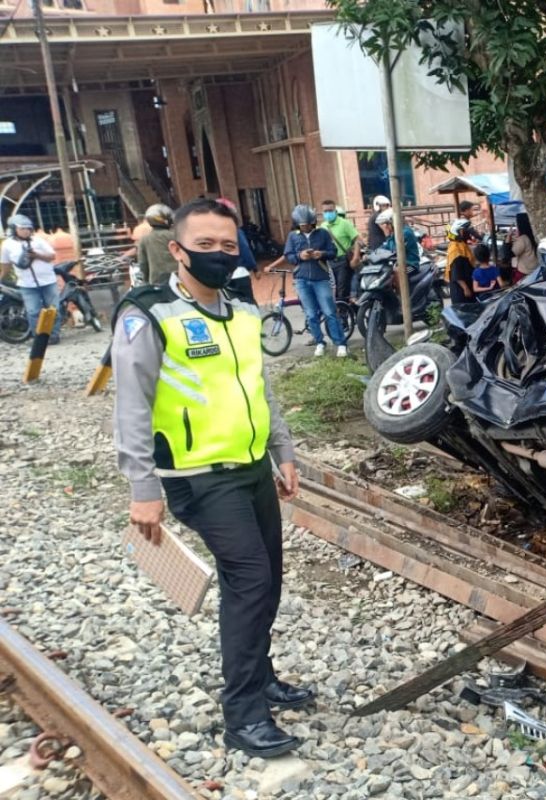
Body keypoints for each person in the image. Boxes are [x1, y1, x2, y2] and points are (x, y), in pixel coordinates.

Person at [111, 198, 310, 760]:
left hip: (248, 468)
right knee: (248, 581)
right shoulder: (147, 314)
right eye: (205, 246)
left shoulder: (242, 313)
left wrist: (282, 450)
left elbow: (259, 387)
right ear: (176, 250)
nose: (219, 256)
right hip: (197, 477)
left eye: (228, 246)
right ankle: (243, 715)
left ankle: (261, 675)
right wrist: (143, 489)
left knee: (266, 578)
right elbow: (132, 404)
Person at [283, 204, 348, 358]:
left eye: (308, 225)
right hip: (302, 279)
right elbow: (288, 255)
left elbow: (333, 252)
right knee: (311, 314)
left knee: (330, 312)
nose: (305, 228)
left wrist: (322, 254)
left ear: (313, 222)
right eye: (302, 225)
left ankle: (341, 344)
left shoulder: (323, 234)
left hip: (321, 278)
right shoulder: (293, 236)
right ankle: (319, 342)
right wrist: (300, 256)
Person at [1, 214, 64, 344]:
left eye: (28, 228)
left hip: (48, 281)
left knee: (53, 309)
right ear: (14, 229)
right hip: (27, 284)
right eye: (22, 228)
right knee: (33, 311)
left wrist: (37, 255)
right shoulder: (7, 245)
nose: (26, 231)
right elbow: (5, 265)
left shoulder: (38, 241)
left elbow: (51, 256)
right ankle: (39, 337)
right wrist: (1, 277)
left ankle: (54, 335)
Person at [215, 198, 258, 304]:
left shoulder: (213, 233)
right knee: (248, 303)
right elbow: (245, 250)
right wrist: (254, 268)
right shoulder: (235, 231)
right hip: (239, 273)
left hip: (222, 276)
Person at [319, 199, 360, 306]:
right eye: (325, 211)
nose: (328, 213)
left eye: (330, 210)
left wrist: (356, 256)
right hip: (329, 263)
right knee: (333, 290)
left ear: (335, 211)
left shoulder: (344, 224)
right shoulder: (322, 227)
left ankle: (344, 314)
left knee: (342, 289)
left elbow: (357, 239)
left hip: (342, 261)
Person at [135, 205, 177, 286]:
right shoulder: (175, 235)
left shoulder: (144, 239)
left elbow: (143, 263)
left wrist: (146, 281)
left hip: (157, 281)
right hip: (178, 279)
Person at [510, 212, 537, 282]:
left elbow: (509, 254)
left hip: (524, 273)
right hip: (535, 271)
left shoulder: (523, 238)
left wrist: (508, 236)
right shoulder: (534, 235)